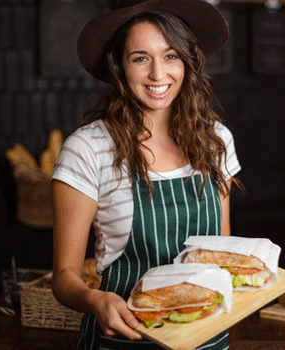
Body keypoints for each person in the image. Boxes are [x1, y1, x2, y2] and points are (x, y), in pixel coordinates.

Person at [50, 1, 241, 349]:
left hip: (206, 338)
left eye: (171, 56)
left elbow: (219, 251)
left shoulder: (215, 140)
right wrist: (95, 301)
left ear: (187, 62)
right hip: (124, 339)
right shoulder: (88, 149)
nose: (158, 74)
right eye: (140, 58)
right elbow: (64, 278)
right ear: (120, 66)